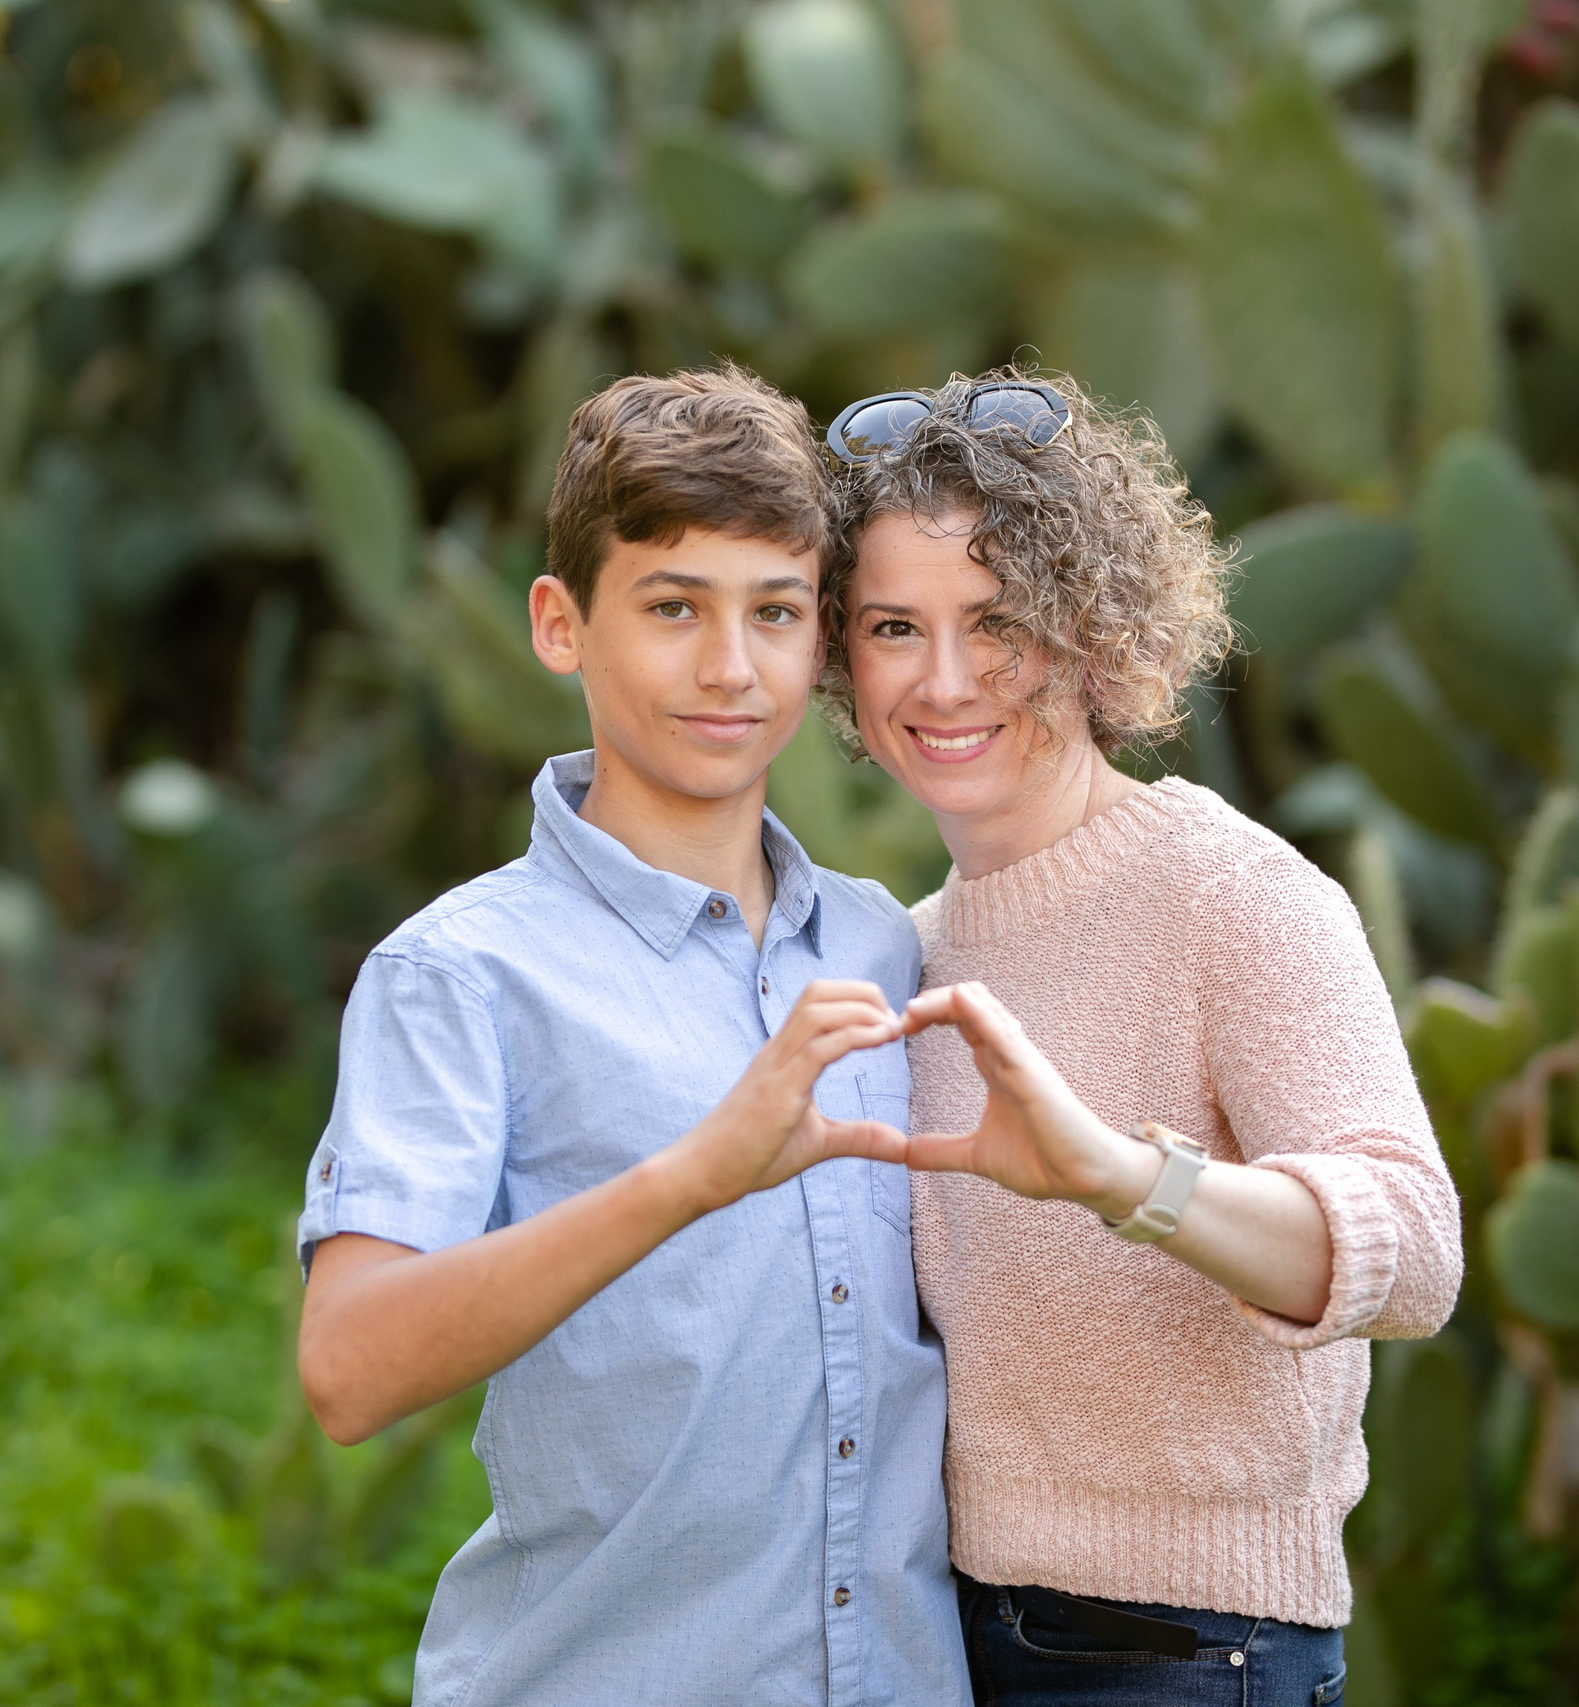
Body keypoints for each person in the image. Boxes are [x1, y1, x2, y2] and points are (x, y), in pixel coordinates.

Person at [295, 367, 970, 1707]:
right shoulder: (463, 975)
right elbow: (349, 1371)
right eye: (673, 608)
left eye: (775, 613)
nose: (731, 667)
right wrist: (693, 1175)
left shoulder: (891, 948)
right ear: (560, 624)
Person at [818, 372, 1464, 1706]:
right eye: (893, 625)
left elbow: (1420, 1253)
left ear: (1093, 629)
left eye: (998, 621)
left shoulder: (1230, 891)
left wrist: (1128, 1180)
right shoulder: (913, 944)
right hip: (944, 1631)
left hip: (1189, 1654)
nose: (944, 680)